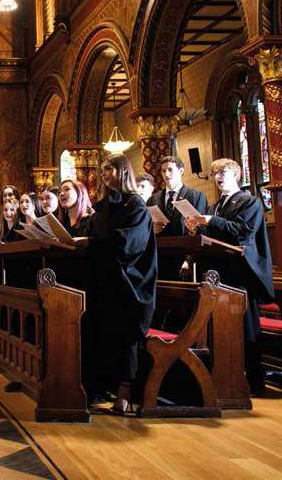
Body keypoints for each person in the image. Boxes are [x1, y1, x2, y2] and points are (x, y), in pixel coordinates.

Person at [185, 158, 274, 394]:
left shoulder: (250, 202)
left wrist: (211, 221)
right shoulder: (215, 206)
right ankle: (222, 377)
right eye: (214, 173)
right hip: (219, 272)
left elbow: (243, 233)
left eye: (223, 172)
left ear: (236, 174)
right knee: (218, 327)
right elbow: (213, 234)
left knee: (246, 329)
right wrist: (197, 227)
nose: (218, 177)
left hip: (242, 274)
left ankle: (254, 382)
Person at [84, 154, 157, 414]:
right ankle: (101, 386)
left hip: (130, 281)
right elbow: (93, 233)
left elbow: (130, 242)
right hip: (105, 279)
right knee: (101, 331)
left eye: (109, 169)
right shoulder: (104, 205)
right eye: (102, 169)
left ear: (122, 171)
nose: (104, 174)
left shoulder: (135, 204)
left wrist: (93, 243)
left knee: (125, 333)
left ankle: (126, 390)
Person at [148, 156, 208, 236]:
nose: (166, 174)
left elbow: (203, 228)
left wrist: (194, 229)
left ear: (181, 171)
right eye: (163, 171)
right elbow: (146, 227)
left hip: (186, 246)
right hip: (161, 246)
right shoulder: (153, 199)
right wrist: (152, 229)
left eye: (170, 170)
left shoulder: (197, 196)